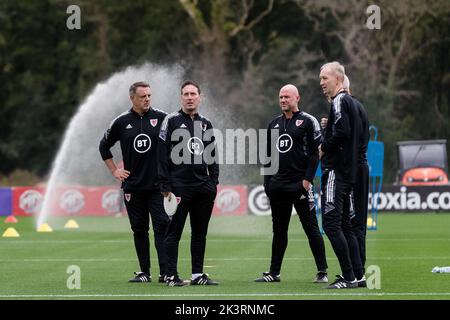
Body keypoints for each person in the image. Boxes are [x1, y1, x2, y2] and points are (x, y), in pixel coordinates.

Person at [255, 84, 328, 284]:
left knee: (311, 228)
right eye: (281, 97)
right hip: (278, 187)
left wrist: (306, 180)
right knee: (279, 231)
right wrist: (267, 184)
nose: (283, 100)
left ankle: (322, 272)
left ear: (297, 98)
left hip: (300, 186)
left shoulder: (308, 121)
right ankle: (274, 273)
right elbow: (267, 156)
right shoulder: (274, 124)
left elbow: (316, 153)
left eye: (287, 96)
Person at [99, 81, 169, 283]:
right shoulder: (121, 122)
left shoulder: (163, 118)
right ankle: (144, 272)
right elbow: (104, 146)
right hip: (133, 187)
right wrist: (115, 170)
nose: (147, 99)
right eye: (142, 96)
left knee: (162, 228)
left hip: (157, 187)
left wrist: (170, 175)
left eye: (149, 95)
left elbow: (174, 147)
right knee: (139, 230)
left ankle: (165, 272)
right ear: (132, 98)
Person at [158, 80, 219, 287]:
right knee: (173, 232)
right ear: (181, 97)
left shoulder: (206, 123)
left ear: (200, 97)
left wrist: (214, 183)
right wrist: (165, 186)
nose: (190, 97)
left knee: (200, 233)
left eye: (194, 94)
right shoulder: (171, 120)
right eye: (186, 94)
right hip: (179, 188)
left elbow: (212, 155)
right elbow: (161, 155)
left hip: (203, 188)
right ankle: (171, 276)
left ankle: (197, 275)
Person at [320, 75, 370, 287]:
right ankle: (358, 275)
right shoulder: (357, 106)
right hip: (353, 169)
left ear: (339, 81)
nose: (322, 83)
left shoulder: (341, 101)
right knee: (349, 224)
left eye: (324, 78)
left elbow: (343, 133)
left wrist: (324, 146)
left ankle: (350, 275)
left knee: (334, 224)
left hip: (343, 169)